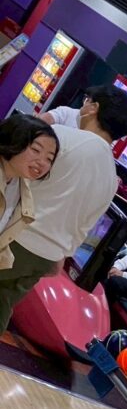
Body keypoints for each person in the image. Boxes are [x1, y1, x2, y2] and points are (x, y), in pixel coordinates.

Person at [0, 83, 127, 332]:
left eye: (87, 101)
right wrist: (60, 256)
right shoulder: (111, 177)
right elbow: (85, 226)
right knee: (3, 303)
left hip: (17, 239)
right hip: (47, 256)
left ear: (93, 108)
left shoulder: (60, 138)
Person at [0, 114, 60, 333]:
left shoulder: (19, 186)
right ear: (13, 140)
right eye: (35, 150)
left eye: (49, 158)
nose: (42, 163)